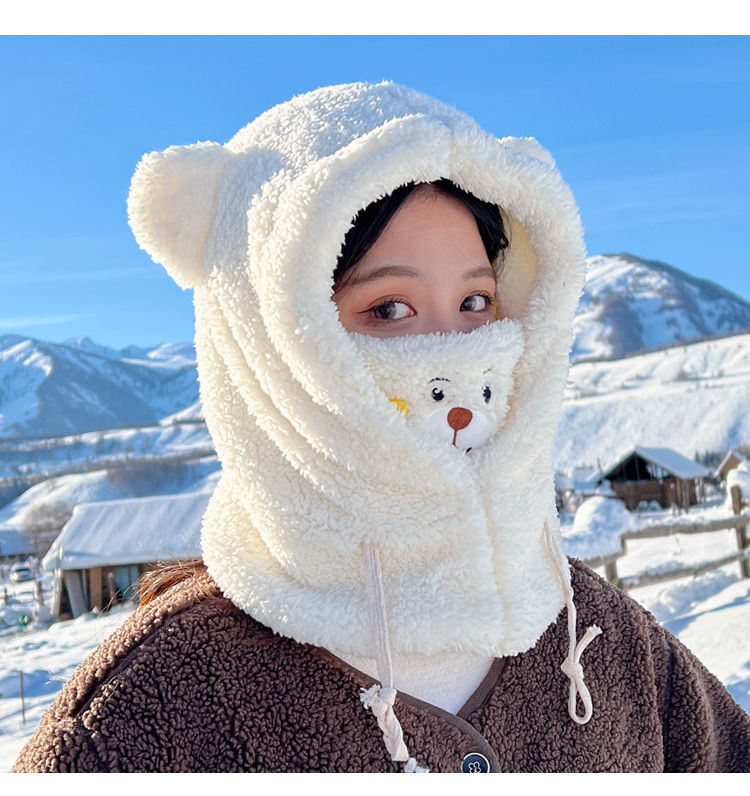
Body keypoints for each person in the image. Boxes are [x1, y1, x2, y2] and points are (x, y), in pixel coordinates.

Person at [12, 82, 750, 773]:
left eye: (476, 304)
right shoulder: (144, 718)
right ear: (272, 346)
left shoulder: (598, 638)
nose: (455, 355)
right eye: (389, 309)